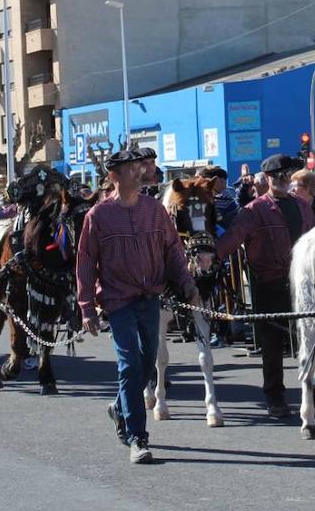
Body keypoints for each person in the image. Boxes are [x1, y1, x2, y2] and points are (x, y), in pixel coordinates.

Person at [76, 149, 201, 465]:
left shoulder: (154, 211)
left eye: (139, 167)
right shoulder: (98, 217)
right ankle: (138, 438)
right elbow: (86, 262)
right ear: (113, 176)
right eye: (130, 169)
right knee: (130, 363)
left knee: (147, 362)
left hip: (150, 298)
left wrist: (187, 283)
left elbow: (172, 250)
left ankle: (120, 406)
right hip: (118, 301)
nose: (138, 172)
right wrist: (86, 306)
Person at [215, 153, 315, 418]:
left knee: (311, 338)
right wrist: (211, 256)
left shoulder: (302, 206)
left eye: (288, 176)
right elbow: (234, 238)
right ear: (269, 178)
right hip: (269, 281)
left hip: (303, 281)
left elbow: (314, 238)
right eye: (279, 176)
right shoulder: (254, 210)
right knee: (272, 344)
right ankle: (275, 396)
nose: (284, 181)